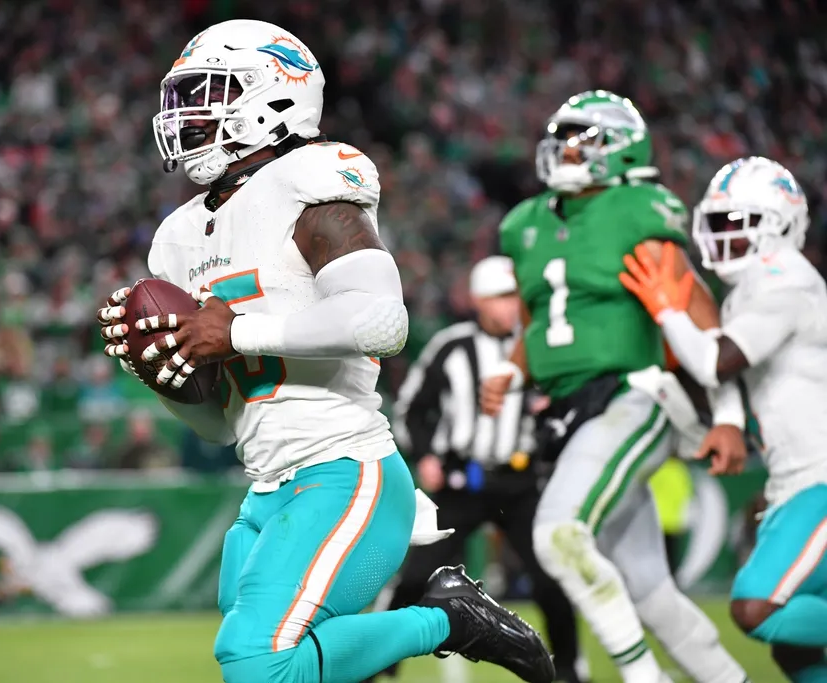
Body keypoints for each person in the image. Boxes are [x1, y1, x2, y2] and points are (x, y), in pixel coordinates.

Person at [95, 20, 554, 683]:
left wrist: (237, 334)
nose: (187, 114)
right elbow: (222, 425)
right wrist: (165, 375)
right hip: (267, 483)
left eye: (208, 92)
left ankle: (453, 618)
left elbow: (380, 318)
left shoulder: (310, 182)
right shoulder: (178, 237)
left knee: (257, 661)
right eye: (183, 98)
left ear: (273, 97)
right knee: (293, 662)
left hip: (344, 468)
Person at [482, 90, 748, 683]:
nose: (566, 148)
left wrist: (728, 413)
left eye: (584, 137)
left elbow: (700, 311)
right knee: (650, 591)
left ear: (624, 149)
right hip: (568, 413)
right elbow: (540, 323)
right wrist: (511, 371)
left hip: (633, 395)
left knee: (558, 535)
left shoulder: (638, 208)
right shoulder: (524, 223)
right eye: (563, 136)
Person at [620, 156, 827, 683]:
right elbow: (727, 370)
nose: (721, 236)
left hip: (819, 478)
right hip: (794, 481)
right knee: (799, 653)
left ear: (779, 225)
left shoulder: (788, 278)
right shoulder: (750, 291)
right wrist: (730, 420)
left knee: (759, 608)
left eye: (736, 223)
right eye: (716, 222)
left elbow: (717, 361)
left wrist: (667, 309)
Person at [366, 256, 589, 683]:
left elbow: (564, 408)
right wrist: (427, 455)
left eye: (514, 297)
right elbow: (414, 407)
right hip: (459, 480)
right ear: (479, 301)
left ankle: (569, 670)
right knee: (413, 578)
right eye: (501, 297)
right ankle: (377, 664)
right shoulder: (451, 346)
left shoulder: (537, 348)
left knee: (551, 578)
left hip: (520, 482)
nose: (510, 307)